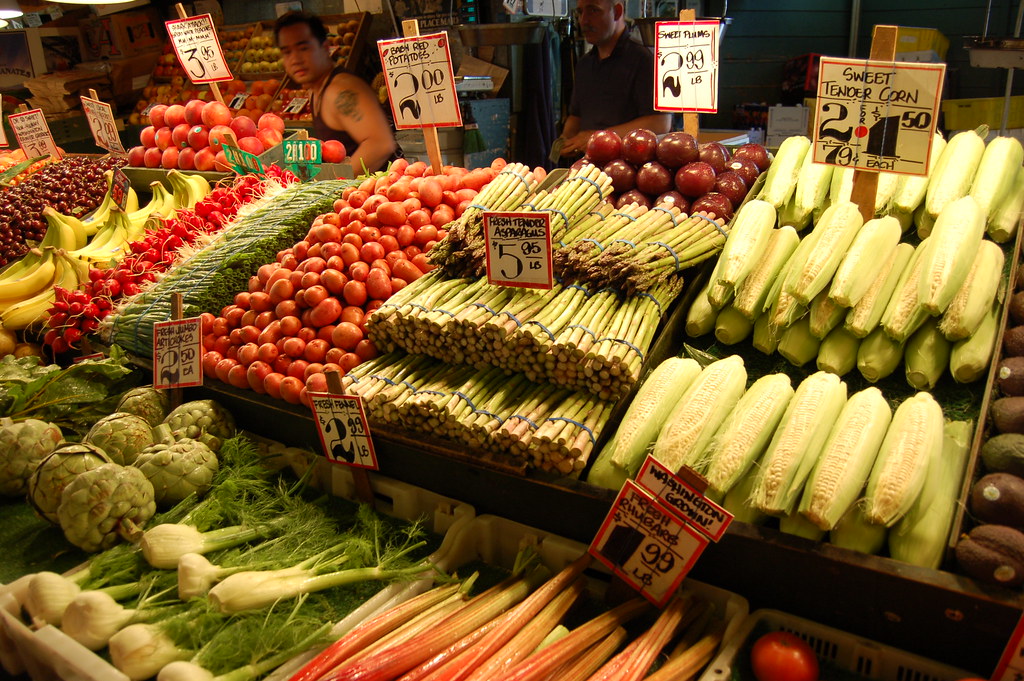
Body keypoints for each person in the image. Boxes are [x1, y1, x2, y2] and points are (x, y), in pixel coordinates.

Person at [274, 11, 399, 173]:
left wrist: (334, 183)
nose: (295, 59)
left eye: (303, 48)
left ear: (325, 48)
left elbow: (381, 144)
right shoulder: (315, 89)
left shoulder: (341, 90)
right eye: (287, 52)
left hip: (379, 192)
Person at [558, 0, 671, 158]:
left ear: (617, 12)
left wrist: (598, 137)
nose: (583, 20)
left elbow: (661, 123)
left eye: (593, 11)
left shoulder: (644, 59)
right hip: (586, 168)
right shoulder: (584, 64)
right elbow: (575, 116)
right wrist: (564, 141)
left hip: (627, 169)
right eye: (580, 12)